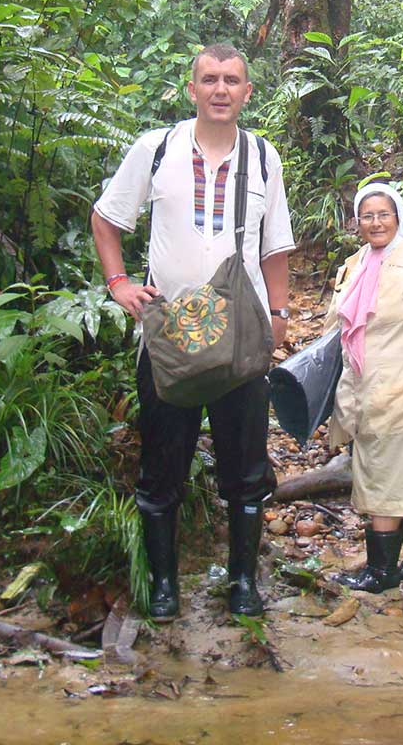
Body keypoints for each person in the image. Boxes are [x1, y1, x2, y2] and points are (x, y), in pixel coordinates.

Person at [90, 43, 294, 620]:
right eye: (210, 79)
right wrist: (119, 283)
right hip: (169, 336)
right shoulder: (156, 150)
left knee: (246, 467)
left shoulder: (262, 158)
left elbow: (275, 246)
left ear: (247, 92)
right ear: (192, 88)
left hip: (240, 338)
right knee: (163, 463)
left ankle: (243, 585)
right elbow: (106, 219)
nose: (221, 90)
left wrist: (278, 316)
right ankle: (162, 587)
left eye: (232, 80)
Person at [326, 183, 403, 593]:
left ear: (399, 217)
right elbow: (336, 330)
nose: (375, 223)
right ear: (357, 221)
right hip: (363, 390)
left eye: (383, 214)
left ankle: (381, 572)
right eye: (367, 216)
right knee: (400, 472)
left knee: (383, 476)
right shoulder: (355, 264)